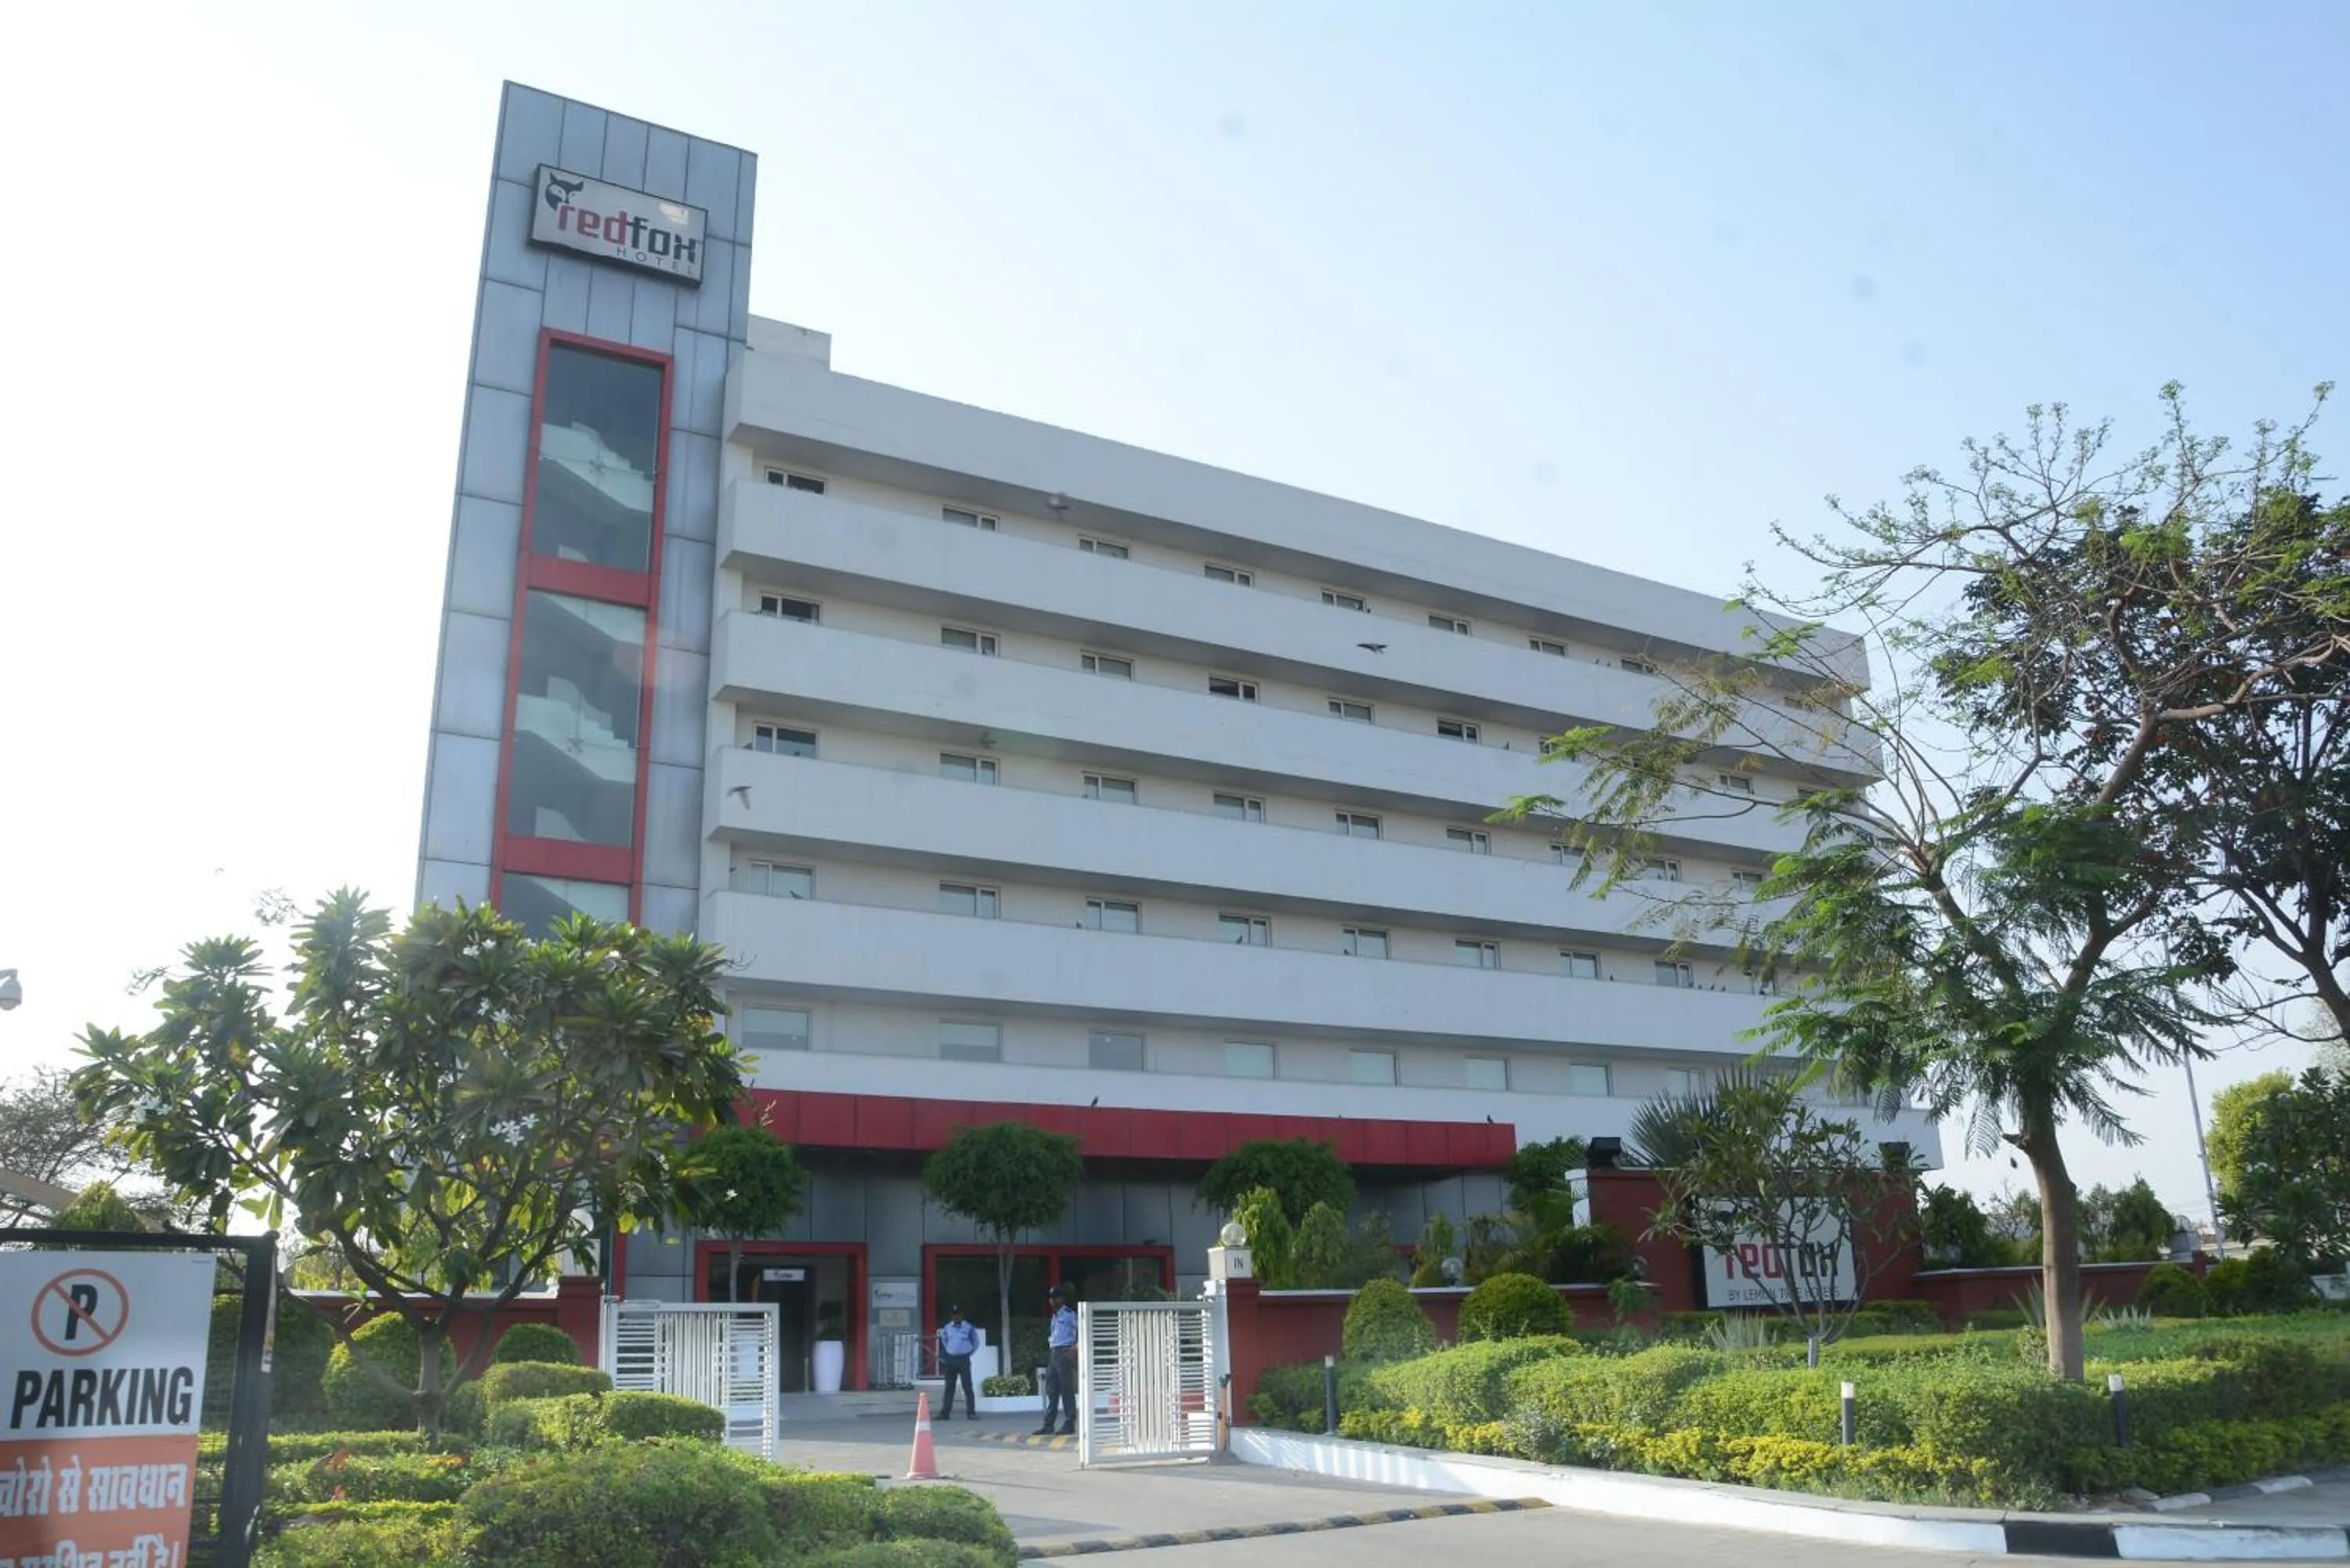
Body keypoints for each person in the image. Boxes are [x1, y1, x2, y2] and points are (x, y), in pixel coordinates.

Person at [1035, 1282, 1080, 1436]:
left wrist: (1076, 1348)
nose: (1052, 1301)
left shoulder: (1069, 1315)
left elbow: (1082, 1330)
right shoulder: (1055, 1316)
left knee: (1067, 1390)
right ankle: (1049, 1424)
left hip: (1064, 1352)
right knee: (1051, 1390)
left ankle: (1069, 1423)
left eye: (1055, 1298)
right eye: (1051, 1298)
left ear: (1062, 1299)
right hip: (1054, 1353)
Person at [937, 1304, 980, 1420]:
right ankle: (945, 1413)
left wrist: (968, 1353)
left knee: (967, 1387)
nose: (956, 1317)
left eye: (958, 1315)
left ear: (962, 1315)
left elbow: (975, 1342)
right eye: (954, 1315)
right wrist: (950, 1351)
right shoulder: (947, 1327)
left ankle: (971, 1413)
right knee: (949, 1388)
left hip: (963, 1359)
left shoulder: (969, 1327)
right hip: (951, 1359)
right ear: (951, 1316)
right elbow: (944, 1340)